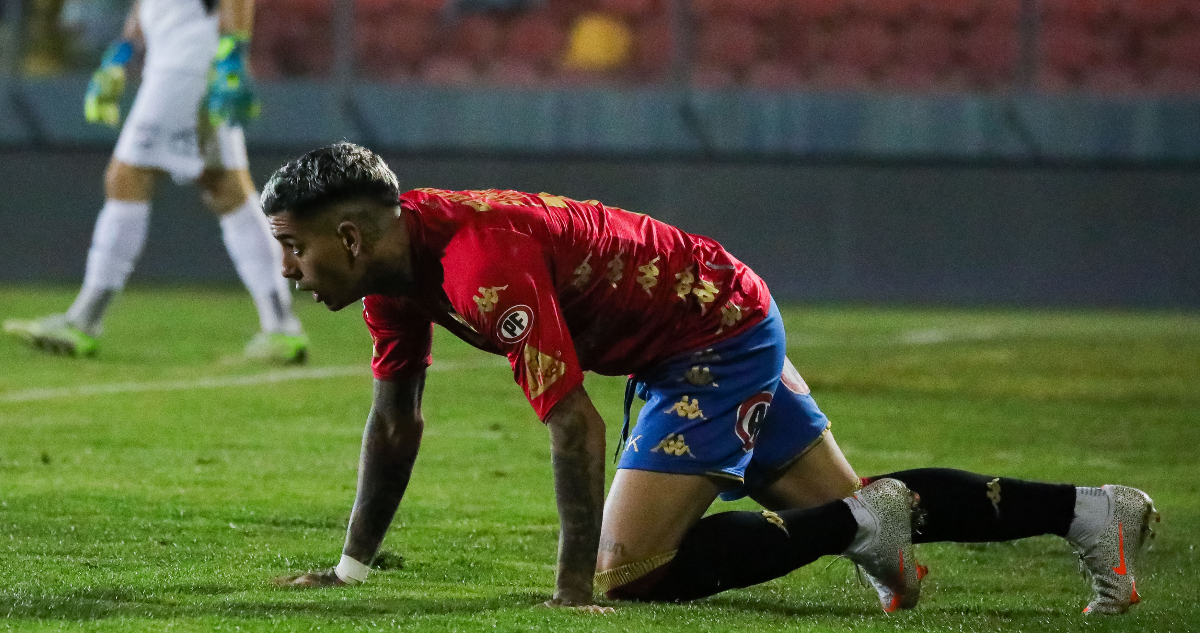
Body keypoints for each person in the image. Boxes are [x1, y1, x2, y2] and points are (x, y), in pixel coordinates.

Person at [265, 142, 1157, 615]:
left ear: (347, 237)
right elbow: (394, 422)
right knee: (846, 510)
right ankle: (1093, 512)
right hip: (706, 314)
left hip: (708, 334)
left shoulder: (476, 265)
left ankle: (857, 524)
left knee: (631, 572)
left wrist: (572, 589)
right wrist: (350, 570)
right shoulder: (397, 271)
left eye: (291, 248)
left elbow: (572, 423)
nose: (289, 272)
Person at [3, 0, 307, 363]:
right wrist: (122, 52)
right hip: (184, 65)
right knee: (226, 189)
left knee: (126, 177)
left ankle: (83, 320)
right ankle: (281, 325)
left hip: (186, 68)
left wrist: (233, 54)